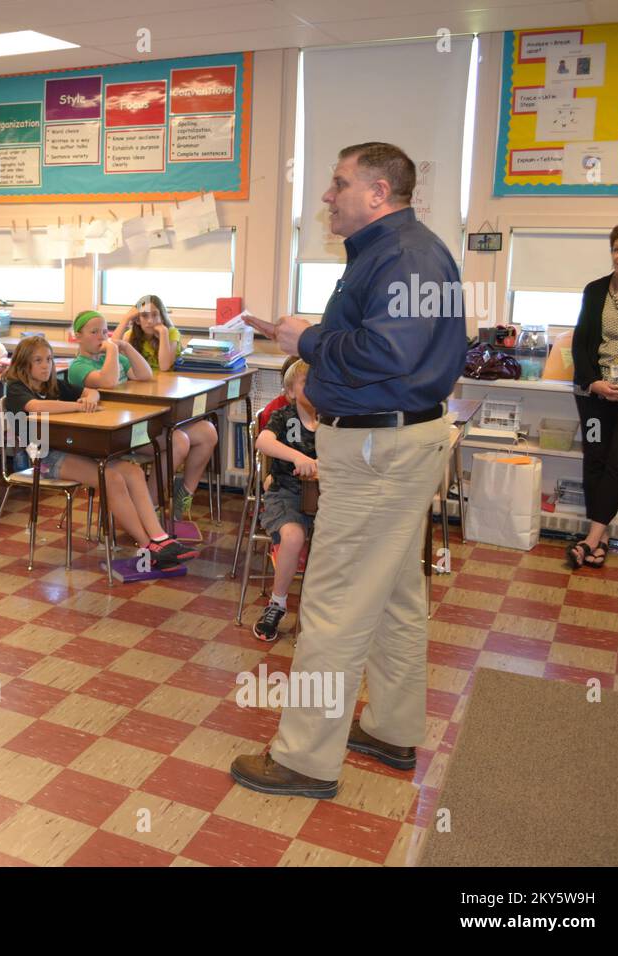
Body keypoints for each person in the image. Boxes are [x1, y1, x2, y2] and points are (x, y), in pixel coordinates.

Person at [235, 142, 466, 798]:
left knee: (334, 605)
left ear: (378, 193)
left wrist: (306, 340)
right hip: (385, 445)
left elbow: (388, 353)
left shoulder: (406, 255)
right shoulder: (391, 253)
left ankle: (305, 760)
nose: (328, 197)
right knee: (395, 597)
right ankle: (392, 728)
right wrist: (313, 361)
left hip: (378, 454)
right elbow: (383, 353)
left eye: (339, 184)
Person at [8, 336, 192, 567]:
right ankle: (147, 546)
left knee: (133, 471)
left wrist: (90, 399)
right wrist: (77, 405)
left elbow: (91, 392)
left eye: (49, 359)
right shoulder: (16, 389)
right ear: (24, 364)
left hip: (75, 449)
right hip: (45, 458)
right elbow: (35, 407)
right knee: (111, 478)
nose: (46, 365)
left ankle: (160, 537)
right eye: (38, 361)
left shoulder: (53, 385)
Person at [568, 221, 618, 570]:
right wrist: (593, 382)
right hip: (595, 398)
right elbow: (581, 341)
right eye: (617, 248)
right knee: (595, 458)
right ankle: (599, 539)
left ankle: (589, 539)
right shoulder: (595, 289)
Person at [113, 295, 219, 520]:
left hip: (167, 403)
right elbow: (112, 346)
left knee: (208, 432)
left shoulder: (170, 334)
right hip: (140, 409)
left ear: (162, 315)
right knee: (177, 441)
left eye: (154, 315)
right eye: (143, 316)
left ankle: (183, 497)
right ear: (137, 319)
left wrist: (162, 334)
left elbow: (164, 365)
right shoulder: (132, 336)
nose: (150, 321)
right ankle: (149, 506)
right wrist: (125, 320)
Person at [252, 360, 317, 643]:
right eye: (307, 383)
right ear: (291, 391)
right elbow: (263, 442)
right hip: (287, 494)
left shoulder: (335, 419)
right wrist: (298, 457)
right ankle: (277, 603)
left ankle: (331, 613)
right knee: (292, 536)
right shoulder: (283, 416)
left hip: (328, 497)